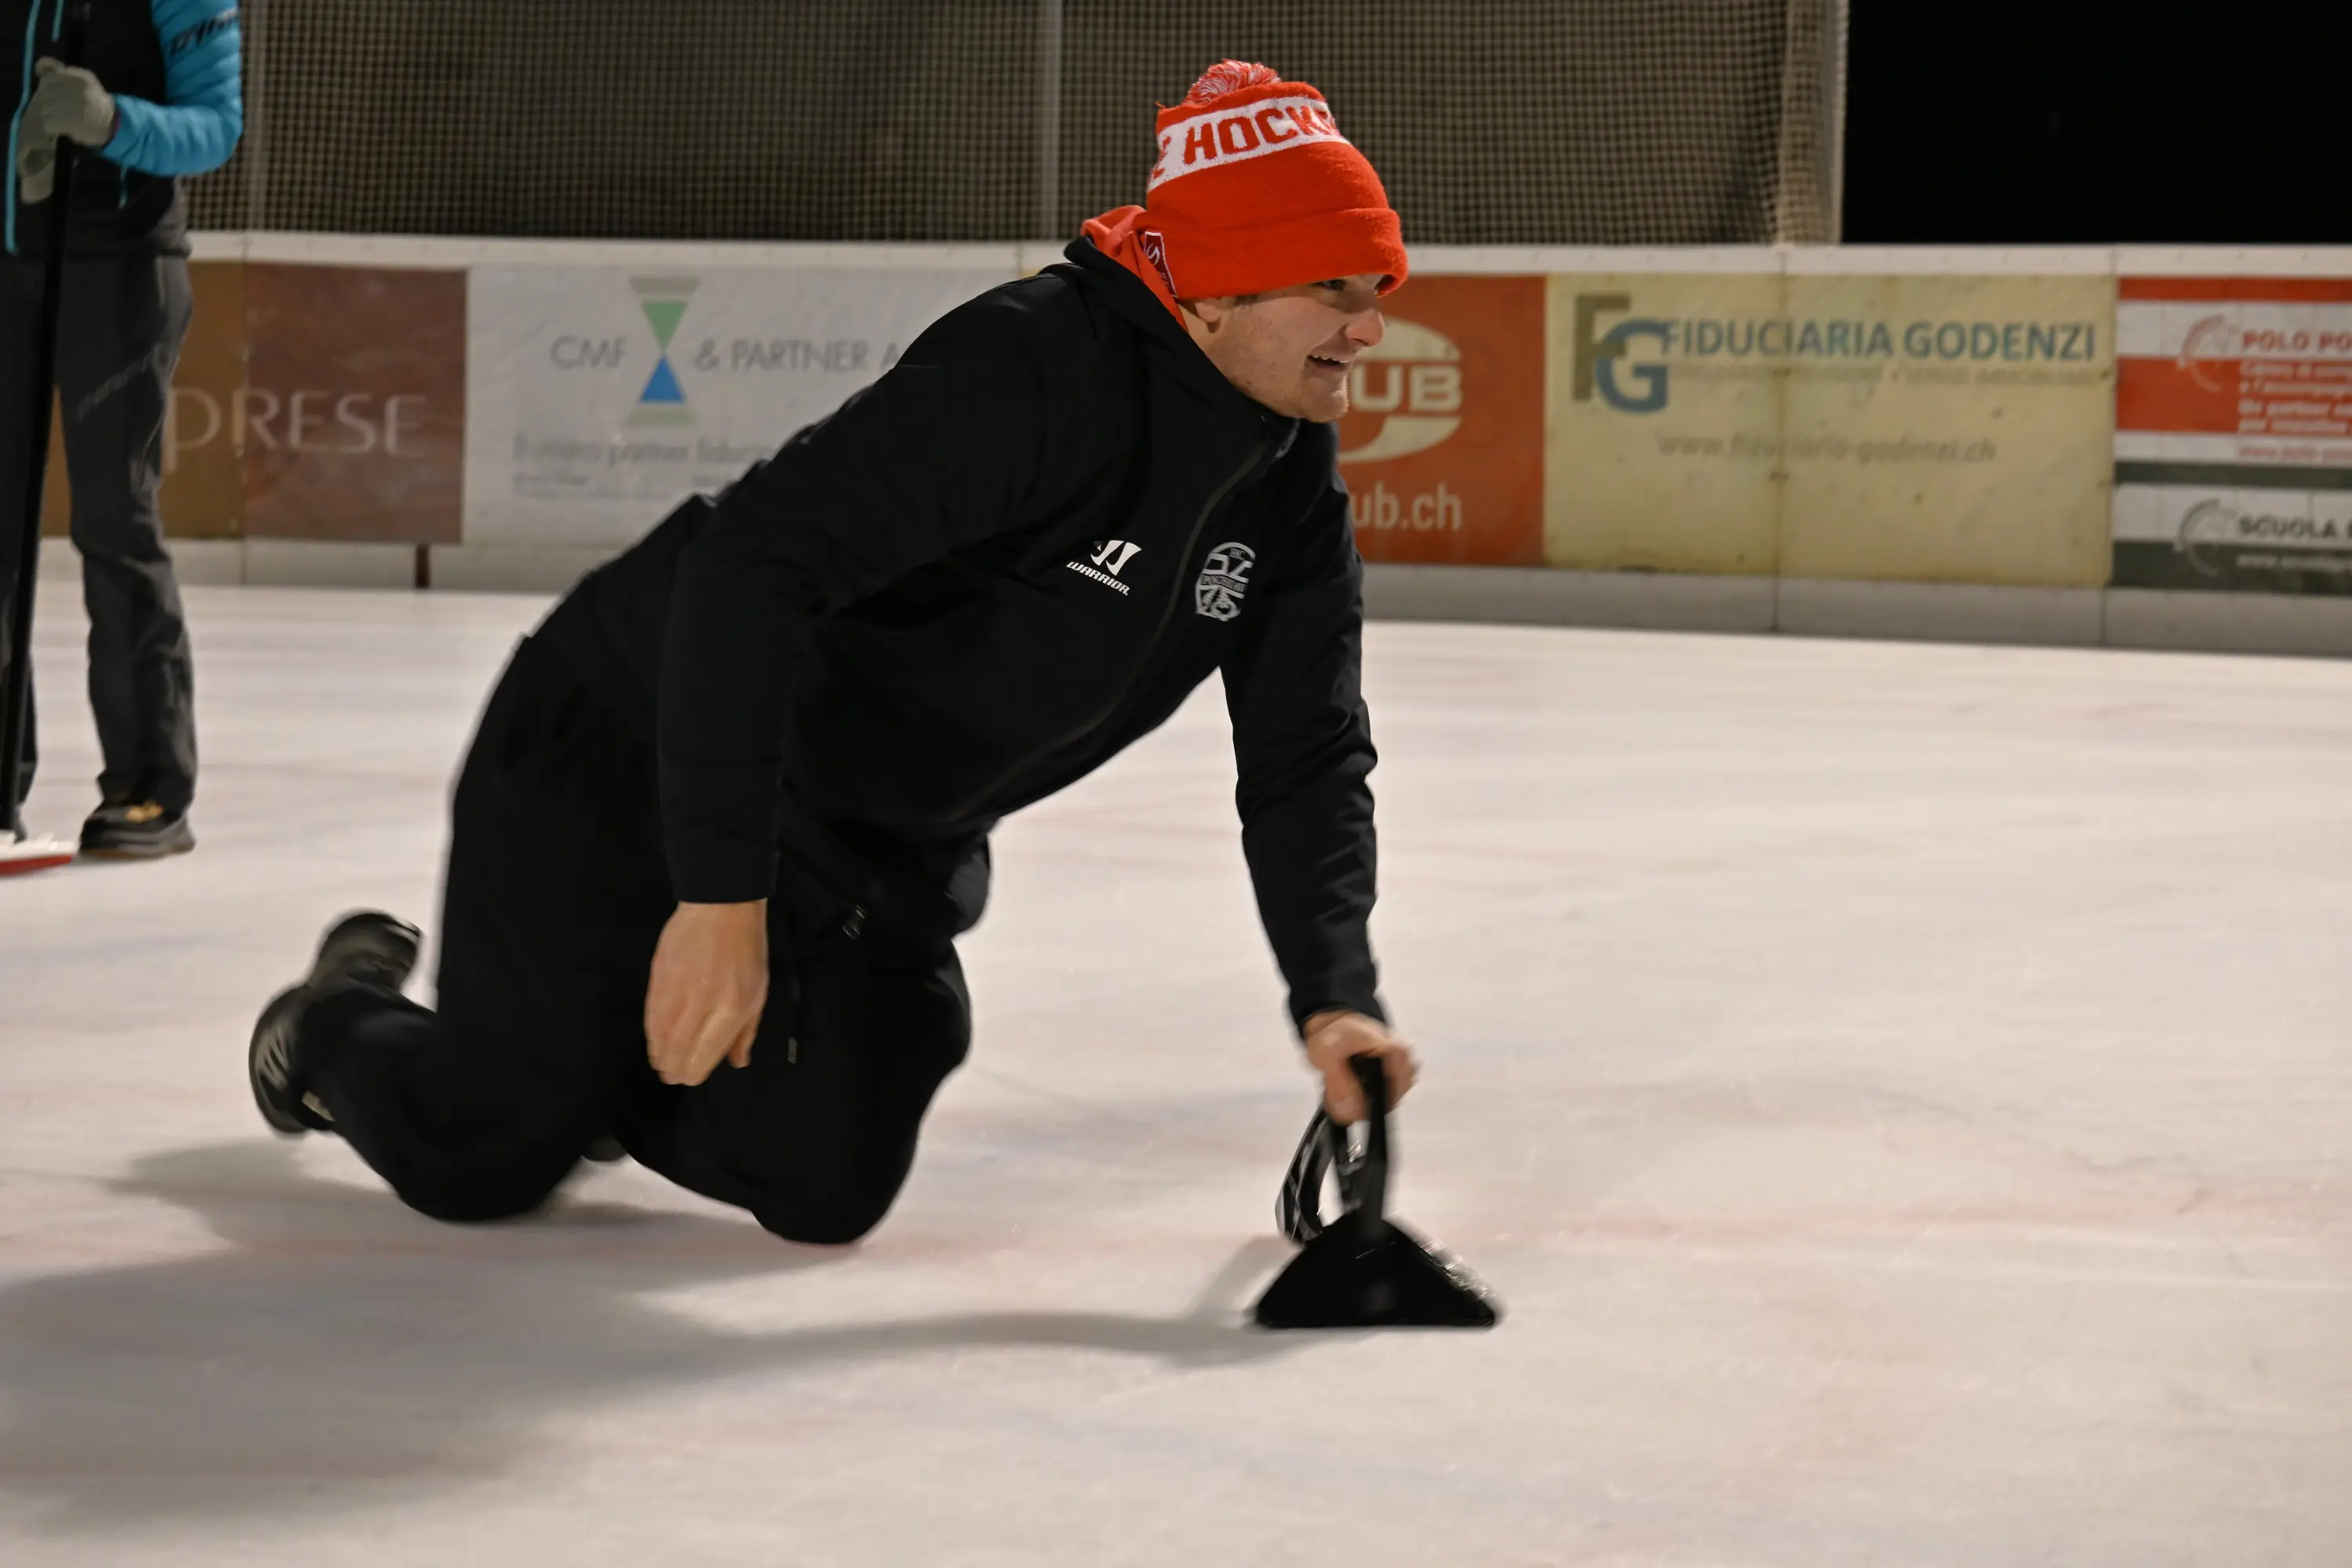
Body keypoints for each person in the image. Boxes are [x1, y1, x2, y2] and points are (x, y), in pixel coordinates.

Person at [245, 60, 1421, 1244]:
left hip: (861, 844)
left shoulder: (1290, 490)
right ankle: (332, 1022)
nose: (1370, 324)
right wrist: (720, 895)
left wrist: (1336, 996)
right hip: (628, 741)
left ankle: (586, 1061)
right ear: (1216, 286)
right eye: (1334, 285)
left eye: (1374, 286)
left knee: (823, 1183)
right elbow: (751, 565)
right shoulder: (1037, 368)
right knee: (486, 1153)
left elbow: (1306, 751)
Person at [2, 0, 241, 858]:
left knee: (114, 521)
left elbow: (216, 128)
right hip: (8, 267)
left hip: (122, 267)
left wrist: (110, 123)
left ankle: (150, 786)